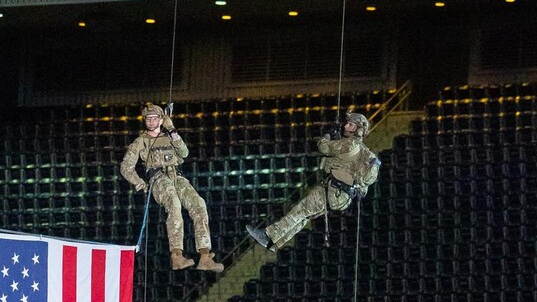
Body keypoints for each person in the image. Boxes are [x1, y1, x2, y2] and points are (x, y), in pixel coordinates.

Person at [247, 110, 380, 251]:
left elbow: (323, 147)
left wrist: (328, 134)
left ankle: (268, 235)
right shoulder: (362, 149)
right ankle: (274, 243)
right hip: (341, 196)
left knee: (302, 209)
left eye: (350, 124)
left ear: (357, 129)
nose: (345, 126)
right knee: (304, 215)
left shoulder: (349, 144)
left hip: (334, 191)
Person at [121, 103, 223, 273]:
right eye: (148, 118)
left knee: (199, 204)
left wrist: (172, 129)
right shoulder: (140, 141)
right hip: (158, 178)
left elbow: (184, 153)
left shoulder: (170, 136)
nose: (151, 121)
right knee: (174, 206)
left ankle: (205, 255)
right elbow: (126, 167)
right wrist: (141, 184)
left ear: (162, 119)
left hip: (177, 175)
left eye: (155, 118)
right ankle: (177, 255)